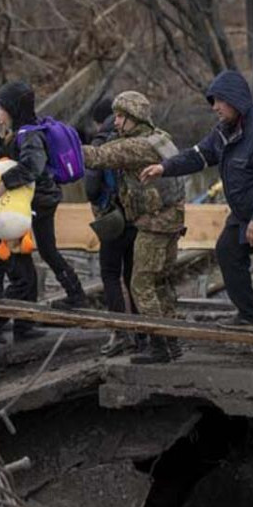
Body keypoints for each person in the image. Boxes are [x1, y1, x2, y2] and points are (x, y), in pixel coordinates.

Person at [141, 70, 253, 372]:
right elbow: (199, 155)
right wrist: (164, 167)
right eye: (213, 101)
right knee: (227, 250)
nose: (215, 107)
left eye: (220, 101)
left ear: (237, 101)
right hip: (246, 214)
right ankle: (250, 315)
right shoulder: (224, 130)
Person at [0, 81, 88, 312]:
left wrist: (5, 182)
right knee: (48, 251)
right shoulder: (20, 132)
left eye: (0, 108)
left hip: (39, 201)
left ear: (13, 109)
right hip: (43, 199)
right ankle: (76, 294)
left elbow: (33, 165)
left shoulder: (29, 136)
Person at [83, 91, 186, 364]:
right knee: (161, 284)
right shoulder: (160, 137)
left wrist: (60, 145)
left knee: (140, 284)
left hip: (154, 225)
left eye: (120, 117)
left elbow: (96, 156)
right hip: (171, 222)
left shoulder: (137, 146)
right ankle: (172, 341)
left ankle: (159, 345)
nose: (115, 122)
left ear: (134, 118)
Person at [84, 97, 142, 356]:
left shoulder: (101, 143)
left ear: (99, 121)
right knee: (132, 274)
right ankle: (143, 332)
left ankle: (120, 332)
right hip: (137, 217)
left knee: (109, 273)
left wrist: (99, 202)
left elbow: (91, 187)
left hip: (113, 219)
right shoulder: (134, 138)